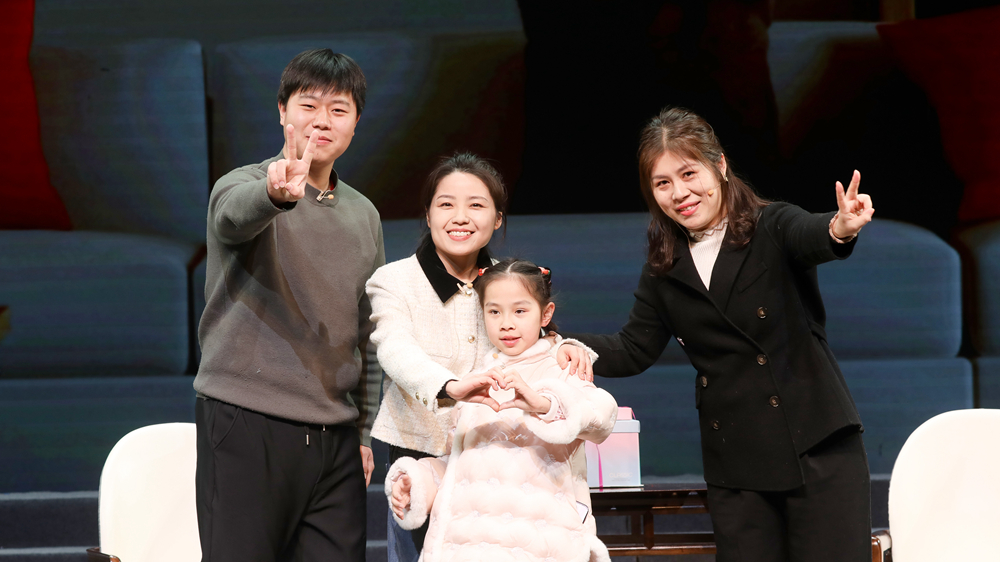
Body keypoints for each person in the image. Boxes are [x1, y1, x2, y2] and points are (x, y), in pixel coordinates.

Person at [570, 107, 875, 562]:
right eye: (662, 183)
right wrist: (557, 342)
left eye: (688, 173)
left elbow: (812, 234)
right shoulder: (664, 266)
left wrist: (840, 227)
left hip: (816, 445)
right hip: (736, 460)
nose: (679, 193)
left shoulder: (772, 226)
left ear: (721, 166)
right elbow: (633, 349)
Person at [194, 49, 382, 562]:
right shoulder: (242, 185)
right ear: (282, 111)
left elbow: (367, 330)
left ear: (356, 122)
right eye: (308, 105)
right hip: (247, 419)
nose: (322, 120)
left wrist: (364, 433)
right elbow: (233, 218)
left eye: (338, 109)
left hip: (336, 437)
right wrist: (275, 195)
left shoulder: (364, 214)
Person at [365, 153, 593, 562]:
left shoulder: (512, 277)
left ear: (498, 218)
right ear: (428, 214)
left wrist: (565, 345)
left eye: (476, 204)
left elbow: (535, 337)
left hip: (502, 464)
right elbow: (394, 348)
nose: (461, 217)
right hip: (420, 460)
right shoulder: (395, 280)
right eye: (446, 204)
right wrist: (449, 386)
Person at [386, 258, 618, 562]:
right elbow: (460, 467)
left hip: (537, 544)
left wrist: (544, 404)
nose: (506, 323)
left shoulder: (563, 366)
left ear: (545, 314)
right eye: (494, 311)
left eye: (520, 311)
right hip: (466, 546)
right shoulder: (477, 378)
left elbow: (602, 415)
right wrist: (419, 481)